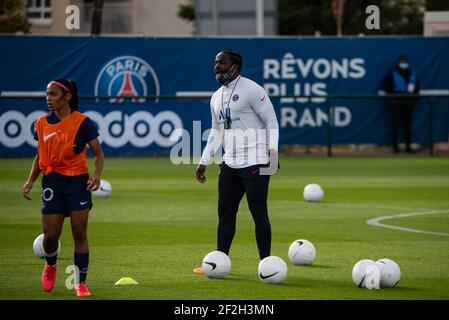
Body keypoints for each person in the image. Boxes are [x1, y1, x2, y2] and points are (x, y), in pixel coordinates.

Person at [194, 50, 279, 274]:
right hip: (229, 164)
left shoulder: (252, 89)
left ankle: (267, 265)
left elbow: (271, 121)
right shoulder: (215, 97)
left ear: (235, 66)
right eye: (215, 63)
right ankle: (219, 263)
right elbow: (216, 131)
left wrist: (273, 153)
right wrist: (204, 161)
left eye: (221, 63)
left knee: (258, 212)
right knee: (225, 214)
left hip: (256, 162)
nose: (216, 67)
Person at [22, 78, 104, 296]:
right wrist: (31, 180)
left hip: (77, 181)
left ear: (67, 96)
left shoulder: (83, 122)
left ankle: (80, 283)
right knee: (50, 235)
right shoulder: (40, 123)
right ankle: (50, 265)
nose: (48, 98)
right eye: (47, 94)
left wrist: (96, 175)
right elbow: (41, 154)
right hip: (52, 182)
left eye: (53, 94)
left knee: (79, 231)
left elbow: (98, 154)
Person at [385, 54, 420, 153]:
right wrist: (393, 98)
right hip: (396, 102)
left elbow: (417, 88)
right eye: (402, 61)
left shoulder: (413, 73)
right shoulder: (393, 73)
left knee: (408, 126)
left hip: (408, 103)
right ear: (399, 62)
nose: (404, 63)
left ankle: (408, 147)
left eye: (405, 61)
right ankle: (395, 148)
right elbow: (387, 87)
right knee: (395, 126)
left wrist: (413, 99)